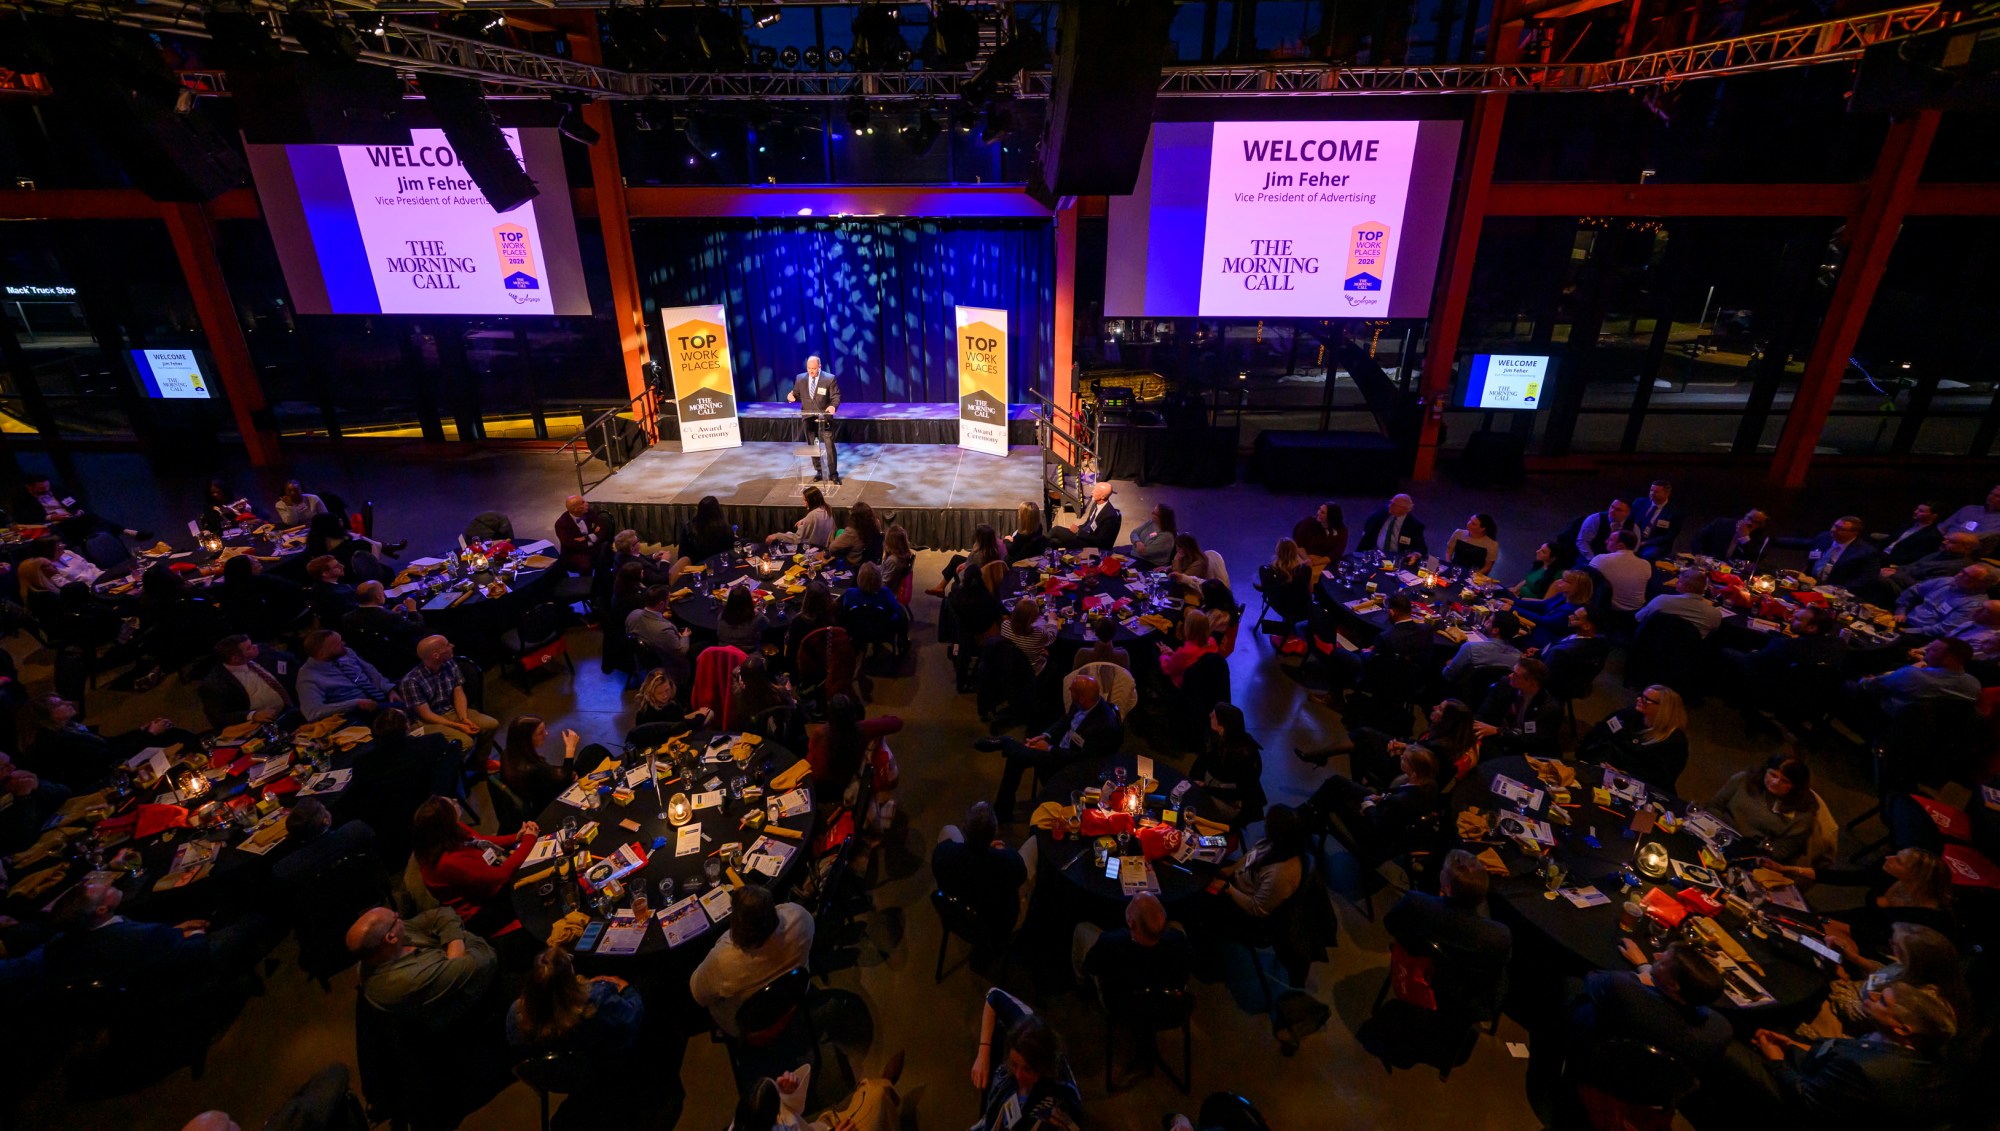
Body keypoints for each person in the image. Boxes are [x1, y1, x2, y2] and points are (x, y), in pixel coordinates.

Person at [1749, 981, 1955, 1130]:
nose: (1872, 995)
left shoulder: (1866, 1068)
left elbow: (1807, 1102)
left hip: (1799, 1110)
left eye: (1883, 1001)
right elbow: (1834, 1056)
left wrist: (1776, 1060)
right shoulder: (1904, 1051)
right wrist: (1792, 1046)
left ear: (1902, 1029)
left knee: (1727, 1039)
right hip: (1821, 1081)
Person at [45, 877, 274, 999]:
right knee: (252, 917)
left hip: (137, 988)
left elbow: (147, 945)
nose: (110, 885)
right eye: (106, 891)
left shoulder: (66, 945)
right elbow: (193, 953)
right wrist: (193, 933)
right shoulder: (142, 937)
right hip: (181, 981)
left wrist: (176, 930)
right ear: (101, 911)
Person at [975, 673, 1122, 822]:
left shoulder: (1103, 725)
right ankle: (1001, 812)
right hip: (1059, 749)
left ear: (1082, 697)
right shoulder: (1083, 702)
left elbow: (1083, 758)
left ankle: (1007, 743)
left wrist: (1049, 749)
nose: (1069, 690)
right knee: (1016, 757)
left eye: (1072, 690)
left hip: (1070, 763)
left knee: (1017, 755)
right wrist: (1045, 736)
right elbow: (1064, 722)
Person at [1572, 941, 1732, 1068]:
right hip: (1652, 1087)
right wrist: (1647, 968)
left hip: (1597, 1064)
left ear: (1673, 985)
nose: (1656, 956)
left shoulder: (1622, 989)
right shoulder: (1721, 1031)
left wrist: (1641, 977)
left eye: (1662, 962)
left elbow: (1593, 978)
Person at [1769, 848, 1956, 954]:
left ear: (1915, 877)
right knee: (1789, 921)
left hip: (1872, 946)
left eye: (1898, 861)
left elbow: (1877, 937)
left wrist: (1819, 921)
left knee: (1797, 934)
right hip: (1854, 919)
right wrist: (1789, 869)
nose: (1889, 858)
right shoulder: (1890, 875)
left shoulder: (1925, 917)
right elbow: (1846, 878)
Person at [690, 883, 815, 1036]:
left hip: (749, 1028)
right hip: (795, 996)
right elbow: (786, 909)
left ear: (736, 923)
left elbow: (698, 994)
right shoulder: (800, 917)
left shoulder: (722, 960)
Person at [346, 905, 497, 1030]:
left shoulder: (385, 946)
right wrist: (459, 937)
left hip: (463, 967)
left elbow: (442, 913)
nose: (400, 916)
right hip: (473, 1012)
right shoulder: (405, 981)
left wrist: (454, 951)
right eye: (395, 917)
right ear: (390, 938)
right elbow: (486, 957)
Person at [411, 796, 539, 936]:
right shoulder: (449, 862)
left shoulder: (447, 831)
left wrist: (516, 838)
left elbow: (479, 841)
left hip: (488, 884)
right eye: (452, 803)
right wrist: (529, 839)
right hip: (481, 911)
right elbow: (501, 875)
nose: (456, 800)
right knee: (536, 891)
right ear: (446, 820)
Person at [19, 695, 193, 792]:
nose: (68, 702)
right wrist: (149, 734)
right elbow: (109, 756)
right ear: (47, 718)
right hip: (103, 779)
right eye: (59, 705)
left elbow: (107, 742)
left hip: (110, 763)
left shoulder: (70, 728)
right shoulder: (60, 742)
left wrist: (141, 731)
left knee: (172, 735)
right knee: (172, 740)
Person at [968, 988, 1083, 1131]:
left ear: (1045, 1066)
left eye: (1027, 1069)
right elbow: (994, 995)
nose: (1018, 1075)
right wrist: (984, 1052)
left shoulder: (1060, 1105)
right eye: (1014, 1064)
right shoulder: (1026, 1029)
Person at [1300, 698, 1477, 787]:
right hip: (1408, 757)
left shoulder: (1440, 748)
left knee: (1360, 743)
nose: (1434, 708)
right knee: (1363, 735)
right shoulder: (1445, 738)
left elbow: (1417, 763)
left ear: (1448, 720)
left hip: (1404, 773)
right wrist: (1403, 745)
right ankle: (1322, 759)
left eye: (1439, 709)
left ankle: (1320, 758)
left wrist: (1401, 749)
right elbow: (1418, 745)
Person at [1305, 745, 1441, 861]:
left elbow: (1378, 825)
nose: (1401, 758)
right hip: (1385, 809)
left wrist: (1369, 806)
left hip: (1374, 837)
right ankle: (1310, 812)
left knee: (1333, 797)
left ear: (1414, 773)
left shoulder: (1400, 801)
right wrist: (1382, 798)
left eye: (1404, 759)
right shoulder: (1429, 786)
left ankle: (1307, 817)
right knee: (1337, 782)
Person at [507, 945, 643, 1057]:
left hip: (555, 1078)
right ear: (569, 981)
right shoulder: (596, 1003)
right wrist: (627, 989)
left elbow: (521, 1051)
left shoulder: (516, 1013)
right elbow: (633, 1015)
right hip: (601, 1068)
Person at [1383, 849, 1512, 963]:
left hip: (1424, 974)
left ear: (1448, 888)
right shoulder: (1500, 935)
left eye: (1443, 870)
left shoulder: (1414, 902)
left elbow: (1391, 925)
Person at [933, 800, 1034, 933]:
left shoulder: (943, 853)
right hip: (998, 925)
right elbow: (1020, 877)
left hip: (959, 914)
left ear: (964, 828)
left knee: (949, 830)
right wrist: (1000, 851)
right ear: (995, 831)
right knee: (1034, 842)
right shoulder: (1010, 861)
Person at [1074, 893, 1193, 1004]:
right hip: (1168, 1000)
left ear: (1131, 923)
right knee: (1177, 925)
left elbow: (1092, 967)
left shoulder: (1112, 942)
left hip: (1121, 1004)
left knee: (1082, 929)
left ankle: (1082, 983)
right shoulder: (1179, 940)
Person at [1721, 606, 1846, 708]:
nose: (1791, 619)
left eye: (1797, 619)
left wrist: (1754, 652)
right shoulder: (1838, 645)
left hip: (1775, 691)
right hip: (1812, 698)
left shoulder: (1783, 645)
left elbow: (1754, 660)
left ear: (1812, 628)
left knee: (1727, 650)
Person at [398, 635, 497, 758]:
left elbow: (458, 691)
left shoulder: (450, 663)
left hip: (449, 711)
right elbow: (426, 715)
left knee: (491, 724)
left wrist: (463, 718)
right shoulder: (411, 681)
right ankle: (447, 772)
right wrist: (459, 726)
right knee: (465, 743)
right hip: (425, 722)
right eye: (447, 645)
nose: (452, 646)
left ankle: (478, 764)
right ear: (436, 655)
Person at [1708, 753, 1819, 863]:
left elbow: (1780, 852)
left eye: (1785, 781)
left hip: (1751, 857)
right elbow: (1715, 806)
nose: (1775, 782)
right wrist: (1719, 832)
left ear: (1796, 787)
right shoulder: (1745, 780)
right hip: (1716, 836)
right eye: (1773, 775)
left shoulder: (1802, 814)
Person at [1578, 685, 1690, 792]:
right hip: (1605, 766)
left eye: (1646, 700)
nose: (1639, 699)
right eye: (1641, 695)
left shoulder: (1674, 742)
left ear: (1662, 708)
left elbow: (1660, 778)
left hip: (1635, 785)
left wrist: (1623, 773)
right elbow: (1602, 730)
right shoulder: (1631, 714)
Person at [1213, 804, 1308, 920]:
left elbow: (1257, 908)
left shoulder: (1281, 874)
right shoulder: (1275, 843)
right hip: (1239, 878)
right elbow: (1252, 855)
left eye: (1267, 823)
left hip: (1243, 902)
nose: (1264, 823)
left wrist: (1228, 888)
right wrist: (1232, 868)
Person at [1853, 637, 1981, 719]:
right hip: (1929, 733)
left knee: (1851, 679)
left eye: (1933, 651)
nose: (1926, 653)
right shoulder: (1974, 685)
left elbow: (1870, 687)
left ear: (1950, 659)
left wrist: (1868, 679)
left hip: (1887, 716)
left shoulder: (1914, 675)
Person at [805, 693, 899, 800]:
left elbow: (817, 771)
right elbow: (897, 722)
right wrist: (883, 719)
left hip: (829, 789)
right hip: (851, 780)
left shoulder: (821, 734)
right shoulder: (863, 729)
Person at [9, 473, 148, 542]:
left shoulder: (56, 489)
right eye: (41, 488)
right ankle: (128, 532)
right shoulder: (21, 498)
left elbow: (74, 502)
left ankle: (119, 537)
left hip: (72, 519)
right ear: (29, 487)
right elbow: (23, 517)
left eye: (47, 487)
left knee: (91, 518)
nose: (46, 490)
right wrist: (51, 517)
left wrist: (78, 510)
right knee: (93, 520)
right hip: (53, 525)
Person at [270, 799, 376, 888]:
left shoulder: (285, 869)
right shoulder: (357, 829)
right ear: (326, 820)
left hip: (327, 907)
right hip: (368, 888)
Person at [197, 634, 296, 728]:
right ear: (235, 659)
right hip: (267, 724)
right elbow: (218, 718)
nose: (255, 646)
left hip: (295, 704)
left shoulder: (261, 650)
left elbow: (288, 660)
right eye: (249, 648)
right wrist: (252, 715)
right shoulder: (214, 684)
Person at [1189, 704, 1266, 824]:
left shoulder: (1240, 756)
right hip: (1212, 787)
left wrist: (1206, 789)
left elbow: (1238, 791)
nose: (1210, 715)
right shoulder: (1220, 738)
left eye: (1214, 716)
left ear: (1222, 727)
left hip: (1226, 801)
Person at [296, 629, 397, 720]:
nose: (343, 644)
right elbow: (312, 713)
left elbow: (369, 670)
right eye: (338, 645)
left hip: (381, 696)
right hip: (357, 714)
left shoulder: (345, 652)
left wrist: (389, 689)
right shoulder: (308, 678)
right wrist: (355, 704)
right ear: (321, 654)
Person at [1863, 529, 1982, 606]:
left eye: (1951, 542)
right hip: (1900, 579)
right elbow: (1912, 566)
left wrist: (1894, 574)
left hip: (1911, 592)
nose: (1944, 542)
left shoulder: (1957, 566)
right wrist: (1894, 570)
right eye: (1946, 539)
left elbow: (1923, 587)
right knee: (1873, 566)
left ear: (1966, 547)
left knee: (1878, 578)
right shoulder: (1940, 553)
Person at [1473, 659, 1563, 758]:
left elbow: (1533, 740)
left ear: (1531, 683)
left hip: (1525, 750)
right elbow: (1484, 714)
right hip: (1497, 740)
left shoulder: (1549, 708)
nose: (1510, 676)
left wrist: (1499, 731)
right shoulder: (1505, 685)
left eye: (1515, 675)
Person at [499, 714, 579, 815]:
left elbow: (548, 773)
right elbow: (564, 782)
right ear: (526, 739)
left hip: (541, 791)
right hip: (550, 805)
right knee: (593, 753)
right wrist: (570, 749)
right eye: (540, 733)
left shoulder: (508, 754)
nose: (546, 733)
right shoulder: (532, 769)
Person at [217, 554, 307, 641]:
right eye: (253, 562)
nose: (258, 561)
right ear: (246, 569)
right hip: (277, 622)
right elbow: (295, 589)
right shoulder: (263, 582)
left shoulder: (227, 590)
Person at [1893, 563, 1997, 636]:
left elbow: (1944, 629)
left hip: (1921, 634)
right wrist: (1901, 610)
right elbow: (1914, 591)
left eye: (1967, 576)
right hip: (1904, 618)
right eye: (1962, 571)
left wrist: (1907, 631)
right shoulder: (1947, 581)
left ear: (1981, 584)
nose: (1959, 575)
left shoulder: (1973, 605)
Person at [1786, 515, 1885, 586]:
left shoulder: (1866, 552)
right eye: (1834, 526)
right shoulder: (1825, 537)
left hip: (1833, 590)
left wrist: (1836, 589)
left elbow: (1866, 580)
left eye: (1841, 529)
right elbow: (1803, 543)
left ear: (1854, 533)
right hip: (1807, 582)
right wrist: (1772, 541)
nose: (1834, 530)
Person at [788, 353, 842, 483]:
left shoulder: (829, 379)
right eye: (809, 368)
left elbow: (835, 396)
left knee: (829, 445)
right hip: (809, 419)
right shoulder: (800, 378)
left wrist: (833, 406)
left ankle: (833, 474)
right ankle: (819, 470)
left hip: (824, 419)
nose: (811, 371)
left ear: (819, 366)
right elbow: (795, 393)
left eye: (814, 368)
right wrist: (791, 396)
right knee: (813, 445)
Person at [1511, 569, 1593, 650]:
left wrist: (1513, 608)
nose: (1560, 581)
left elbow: (1543, 621)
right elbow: (1543, 605)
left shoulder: (1572, 610)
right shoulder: (1563, 595)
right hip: (1535, 629)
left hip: (1542, 641)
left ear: (1575, 588)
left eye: (1565, 581)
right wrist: (1514, 602)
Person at [626, 585, 692, 686]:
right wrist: (685, 637)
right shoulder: (663, 630)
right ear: (661, 604)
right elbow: (681, 652)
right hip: (671, 670)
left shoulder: (632, 615)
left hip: (643, 664)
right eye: (668, 600)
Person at [1440, 609, 1524, 685]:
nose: (1486, 622)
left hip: (1461, 690)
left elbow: (1448, 675)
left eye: (1489, 621)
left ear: (1495, 630)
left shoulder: (1470, 648)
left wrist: (1450, 663)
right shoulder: (1517, 657)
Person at [1635, 567, 1724, 638]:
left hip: (1652, 645)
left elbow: (1639, 617)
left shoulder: (1662, 600)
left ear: (1689, 588)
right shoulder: (1714, 614)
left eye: (1680, 581)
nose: (1677, 582)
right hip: (1684, 655)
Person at [1589, 530, 1652, 619]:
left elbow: (1585, 581)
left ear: (1620, 545)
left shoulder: (1600, 559)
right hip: (1635, 613)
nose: (1606, 541)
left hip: (1607, 613)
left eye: (1610, 540)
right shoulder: (1646, 564)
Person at [930, 523, 1005, 598]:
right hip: (987, 575)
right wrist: (966, 564)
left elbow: (969, 573)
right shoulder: (996, 548)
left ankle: (947, 591)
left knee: (955, 568)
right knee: (956, 558)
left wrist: (960, 570)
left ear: (979, 538)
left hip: (975, 581)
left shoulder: (977, 555)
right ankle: (940, 587)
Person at [1047, 481, 1120, 551]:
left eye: (1096, 491)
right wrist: (1078, 528)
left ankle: (1038, 547)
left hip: (1091, 544)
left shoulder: (1110, 516)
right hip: (1084, 535)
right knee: (1054, 542)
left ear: (1103, 496)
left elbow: (1099, 540)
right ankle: (1048, 557)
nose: (1092, 492)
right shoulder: (1096, 503)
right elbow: (1088, 523)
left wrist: (1078, 532)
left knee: (1056, 530)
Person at [1158, 609, 1220, 688]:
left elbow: (1168, 669)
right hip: (1203, 685)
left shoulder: (1184, 652)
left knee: (1154, 654)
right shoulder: (1212, 642)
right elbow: (1192, 660)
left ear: (1188, 628)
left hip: (1182, 686)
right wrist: (1173, 654)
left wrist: (1164, 655)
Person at [731, 656, 798, 728]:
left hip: (757, 732)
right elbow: (793, 709)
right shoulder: (779, 692)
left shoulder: (743, 695)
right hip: (778, 731)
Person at [1358, 493, 1427, 559]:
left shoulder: (1414, 525)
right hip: (1375, 553)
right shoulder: (1380, 515)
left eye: (1394, 504)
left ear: (1404, 509)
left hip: (1397, 558)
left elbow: (1421, 548)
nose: (1390, 505)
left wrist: (1416, 555)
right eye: (1391, 502)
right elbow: (1368, 532)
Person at [765, 485, 835, 551]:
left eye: (805, 500)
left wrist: (777, 535)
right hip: (825, 545)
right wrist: (804, 520)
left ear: (812, 501)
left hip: (814, 549)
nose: (803, 502)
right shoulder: (827, 508)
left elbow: (797, 539)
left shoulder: (812, 516)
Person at [1000, 598, 1058, 676]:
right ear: (1033, 619)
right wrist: (1052, 621)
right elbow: (1051, 637)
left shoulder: (1005, 625)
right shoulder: (1038, 633)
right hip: (1031, 670)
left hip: (1011, 665)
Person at [1693, 507, 1774, 563]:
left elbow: (1756, 558)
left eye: (1755, 522)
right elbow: (1697, 539)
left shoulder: (1761, 538)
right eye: (1749, 518)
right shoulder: (1721, 523)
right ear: (1745, 515)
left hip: (1735, 573)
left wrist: (1744, 537)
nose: (1749, 523)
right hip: (1710, 563)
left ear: (1761, 525)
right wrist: (1698, 554)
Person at [1629, 480, 1686, 559]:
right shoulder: (1640, 502)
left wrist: (1645, 543)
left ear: (1667, 494)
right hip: (1634, 538)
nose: (1652, 493)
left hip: (1654, 544)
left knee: (1648, 555)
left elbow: (1669, 536)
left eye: (1657, 492)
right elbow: (1629, 520)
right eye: (1651, 490)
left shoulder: (1674, 512)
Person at [634, 669, 710, 729]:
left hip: (674, 728)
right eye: (660, 693)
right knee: (710, 713)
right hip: (673, 738)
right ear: (651, 692)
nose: (665, 696)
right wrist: (701, 716)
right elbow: (684, 726)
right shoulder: (670, 708)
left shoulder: (642, 708)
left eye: (667, 690)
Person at [1880, 501, 1945, 565]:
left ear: (1934, 516)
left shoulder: (1932, 535)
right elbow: (1891, 539)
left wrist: (1885, 558)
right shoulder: (1908, 524)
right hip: (1882, 554)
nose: (1915, 512)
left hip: (1894, 562)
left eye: (1921, 511)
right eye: (1917, 509)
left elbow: (1913, 558)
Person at [1573, 498, 1636, 562]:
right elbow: (1582, 541)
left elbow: (1633, 550)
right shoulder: (1595, 519)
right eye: (1612, 507)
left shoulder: (1633, 528)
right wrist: (1593, 560)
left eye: (1618, 510)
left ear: (1628, 513)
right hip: (1591, 558)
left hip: (1618, 561)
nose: (1612, 511)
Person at [305, 555, 360, 627]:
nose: (342, 566)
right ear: (325, 573)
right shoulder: (335, 595)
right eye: (337, 566)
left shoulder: (318, 586)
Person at [612, 529, 676, 587]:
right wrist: (665, 561)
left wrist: (654, 557)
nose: (640, 542)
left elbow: (641, 558)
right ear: (632, 548)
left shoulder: (623, 553)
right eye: (637, 540)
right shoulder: (637, 567)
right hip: (658, 590)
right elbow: (661, 581)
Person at [829, 500, 884, 567]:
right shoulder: (876, 523)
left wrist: (832, 539)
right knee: (840, 531)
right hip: (873, 561)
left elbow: (832, 548)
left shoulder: (851, 532)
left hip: (855, 565)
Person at [718, 585, 771, 651]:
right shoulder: (756, 617)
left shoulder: (721, 616)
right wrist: (758, 612)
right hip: (748, 656)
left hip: (725, 655)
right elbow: (767, 625)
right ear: (749, 601)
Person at [1128, 503, 1177, 567]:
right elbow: (1134, 533)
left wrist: (1134, 543)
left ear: (1162, 518)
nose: (1151, 513)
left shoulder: (1167, 537)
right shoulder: (1152, 522)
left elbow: (1144, 553)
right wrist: (1137, 542)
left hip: (1150, 564)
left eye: (1154, 513)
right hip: (1136, 556)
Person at [878, 524, 915, 599]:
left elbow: (884, 584)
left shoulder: (893, 561)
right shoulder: (903, 555)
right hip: (891, 589)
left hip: (885, 594)